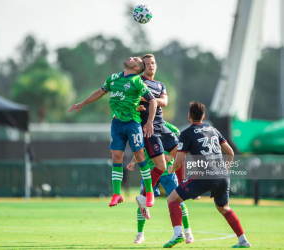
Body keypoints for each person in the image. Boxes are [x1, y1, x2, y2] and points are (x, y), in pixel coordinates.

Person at [68, 57, 157, 207]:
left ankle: (149, 192)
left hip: (132, 123)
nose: (130, 57)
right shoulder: (113, 78)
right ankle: (117, 194)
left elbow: (153, 100)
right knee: (116, 156)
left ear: (136, 68)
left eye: (134, 59)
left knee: (140, 156)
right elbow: (99, 92)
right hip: (116, 123)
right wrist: (83, 103)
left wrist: (149, 122)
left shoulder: (136, 81)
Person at [163, 101, 251, 248]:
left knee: (172, 198)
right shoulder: (213, 130)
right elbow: (230, 152)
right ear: (203, 116)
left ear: (189, 116)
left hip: (206, 174)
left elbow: (179, 161)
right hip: (222, 174)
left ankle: (178, 234)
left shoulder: (186, 133)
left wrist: (172, 168)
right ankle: (243, 240)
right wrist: (226, 171)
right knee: (224, 208)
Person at [127, 121, 194, 244]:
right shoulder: (141, 125)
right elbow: (140, 148)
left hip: (167, 171)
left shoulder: (167, 126)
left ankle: (188, 232)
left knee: (178, 200)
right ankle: (140, 235)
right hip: (149, 171)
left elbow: (179, 143)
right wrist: (133, 161)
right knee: (142, 201)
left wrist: (170, 156)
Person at [134, 54, 184, 214]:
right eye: (147, 63)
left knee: (181, 155)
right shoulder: (137, 81)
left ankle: (184, 187)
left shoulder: (160, 85)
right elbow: (134, 99)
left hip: (161, 124)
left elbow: (165, 102)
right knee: (160, 166)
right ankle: (145, 196)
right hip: (148, 127)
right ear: (143, 67)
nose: (150, 65)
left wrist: (151, 99)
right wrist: (151, 100)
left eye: (153, 63)